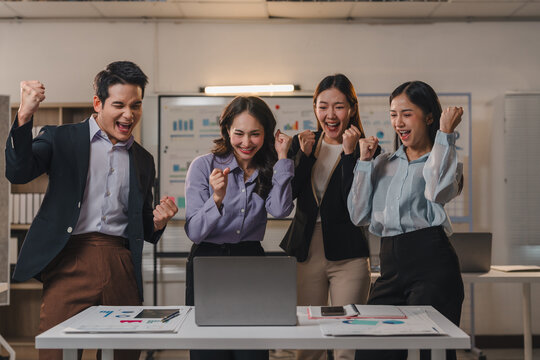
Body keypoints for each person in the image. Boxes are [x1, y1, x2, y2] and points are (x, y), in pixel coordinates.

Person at [5, 61, 178, 360]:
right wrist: (25, 115)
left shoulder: (143, 159)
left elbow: (144, 227)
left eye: (136, 105)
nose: (129, 114)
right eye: (119, 105)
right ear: (98, 103)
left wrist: (159, 221)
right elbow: (18, 172)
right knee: (55, 351)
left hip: (121, 263)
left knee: (125, 353)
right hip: (70, 260)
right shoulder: (61, 138)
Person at [347, 81, 464, 360]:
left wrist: (445, 135)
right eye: (393, 114)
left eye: (407, 114)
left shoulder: (446, 161)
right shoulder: (383, 163)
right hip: (390, 266)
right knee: (373, 351)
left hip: (432, 264)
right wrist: (363, 162)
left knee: (431, 353)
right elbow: (358, 214)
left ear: (429, 117)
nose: (398, 122)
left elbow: (436, 191)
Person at [184, 96, 294, 360]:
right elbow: (195, 232)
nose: (247, 142)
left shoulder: (269, 169)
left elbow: (280, 210)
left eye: (255, 134)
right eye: (239, 134)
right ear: (226, 131)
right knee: (209, 350)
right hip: (207, 262)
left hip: (250, 262)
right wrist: (216, 199)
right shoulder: (203, 166)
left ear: (266, 133)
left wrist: (282, 158)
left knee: (252, 350)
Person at [280, 74, 377, 360]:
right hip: (306, 251)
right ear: (315, 108)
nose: (330, 115)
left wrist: (350, 156)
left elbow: (357, 205)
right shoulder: (304, 143)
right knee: (307, 344)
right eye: (323, 106)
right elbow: (290, 195)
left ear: (352, 109)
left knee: (348, 342)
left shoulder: (367, 149)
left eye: (339, 106)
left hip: (349, 254)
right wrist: (305, 156)